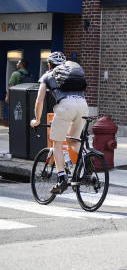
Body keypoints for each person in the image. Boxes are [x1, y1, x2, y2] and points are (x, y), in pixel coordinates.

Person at [29, 52, 89, 194]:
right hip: (83, 106)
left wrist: (37, 120)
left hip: (65, 107)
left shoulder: (48, 75)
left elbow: (39, 101)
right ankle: (88, 161)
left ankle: (61, 178)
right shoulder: (72, 74)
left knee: (57, 143)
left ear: (49, 65)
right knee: (73, 140)